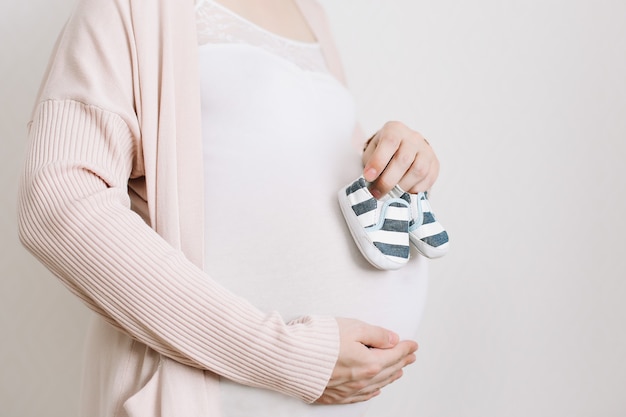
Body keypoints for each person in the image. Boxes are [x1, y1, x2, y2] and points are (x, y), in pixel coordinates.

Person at [17, 0, 439, 416]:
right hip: (212, 396)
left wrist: (397, 158)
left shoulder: (310, 13)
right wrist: (283, 357)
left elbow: (325, 177)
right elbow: (58, 200)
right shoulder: (133, 7)